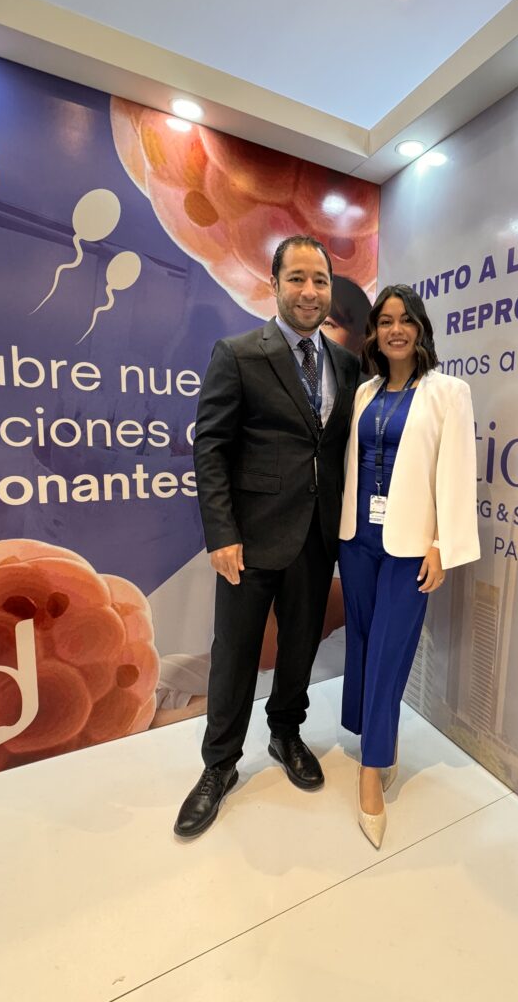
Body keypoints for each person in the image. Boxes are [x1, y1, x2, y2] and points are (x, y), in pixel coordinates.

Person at [174, 235, 360, 838]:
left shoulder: (347, 365)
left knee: (299, 646)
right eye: (297, 278)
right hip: (249, 541)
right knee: (235, 653)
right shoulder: (237, 354)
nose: (310, 291)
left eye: (320, 280)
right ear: (274, 285)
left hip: (317, 536)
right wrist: (221, 533)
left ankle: (286, 733)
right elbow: (211, 447)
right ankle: (219, 766)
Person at [338, 284, 480, 848]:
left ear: (420, 328)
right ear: (374, 333)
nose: (395, 330)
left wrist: (441, 543)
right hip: (358, 538)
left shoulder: (449, 392)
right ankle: (380, 736)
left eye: (405, 320)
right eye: (385, 321)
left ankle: (370, 769)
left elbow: (457, 471)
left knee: (390, 650)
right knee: (363, 643)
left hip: (410, 544)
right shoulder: (364, 392)